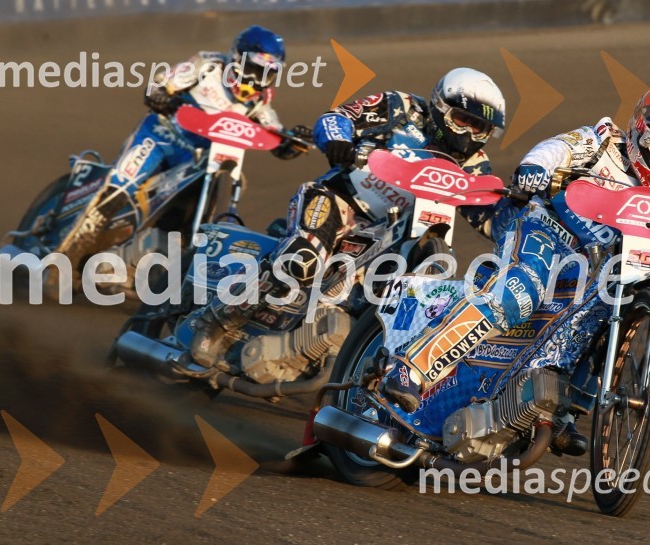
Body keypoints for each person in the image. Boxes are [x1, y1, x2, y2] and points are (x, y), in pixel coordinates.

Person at [379, 80, 650, 456]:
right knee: (519, 292)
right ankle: (410, 369)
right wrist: (535, 168)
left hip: (596, 268)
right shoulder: (602, 140)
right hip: (548, 231)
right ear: (640, 131)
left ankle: (563, 405)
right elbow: (553, 150)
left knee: (607, 309)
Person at [189, 67, 506, 367]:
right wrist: (339, 140)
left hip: (392, 233)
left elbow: (491, 218)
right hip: (339, 202)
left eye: (480, 127)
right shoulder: (401, 108)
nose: (469, 133)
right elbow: (338, 117)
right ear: (441, 106)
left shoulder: (475, 164)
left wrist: (525, 213)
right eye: (463, 119)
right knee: (303, 257)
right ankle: (218, 318)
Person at [52, 25, 312, 288]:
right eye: (256, 67)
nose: (260, 76)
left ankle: (153, 264)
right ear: (238, 57)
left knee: (211, 196)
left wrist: (292, 142)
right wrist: (160, 95)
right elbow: (160, 83)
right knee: (121, 187)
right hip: (161, 136)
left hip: (198, 158)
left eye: (269, 71)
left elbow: (273, 131)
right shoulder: (208, 65)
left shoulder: (260, 100)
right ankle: (65, 258)